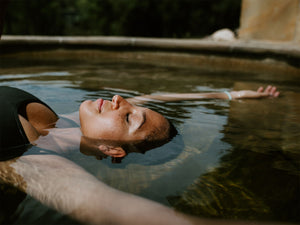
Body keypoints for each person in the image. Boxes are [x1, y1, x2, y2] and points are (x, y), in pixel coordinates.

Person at [0, 85, 280, 225]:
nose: (119, 101)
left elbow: (115, 207)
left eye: (129, 119)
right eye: (130, 106)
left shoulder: (37, 164)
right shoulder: (66, 121)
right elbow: (155, 97)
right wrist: (233, 95)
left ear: (111, 150)